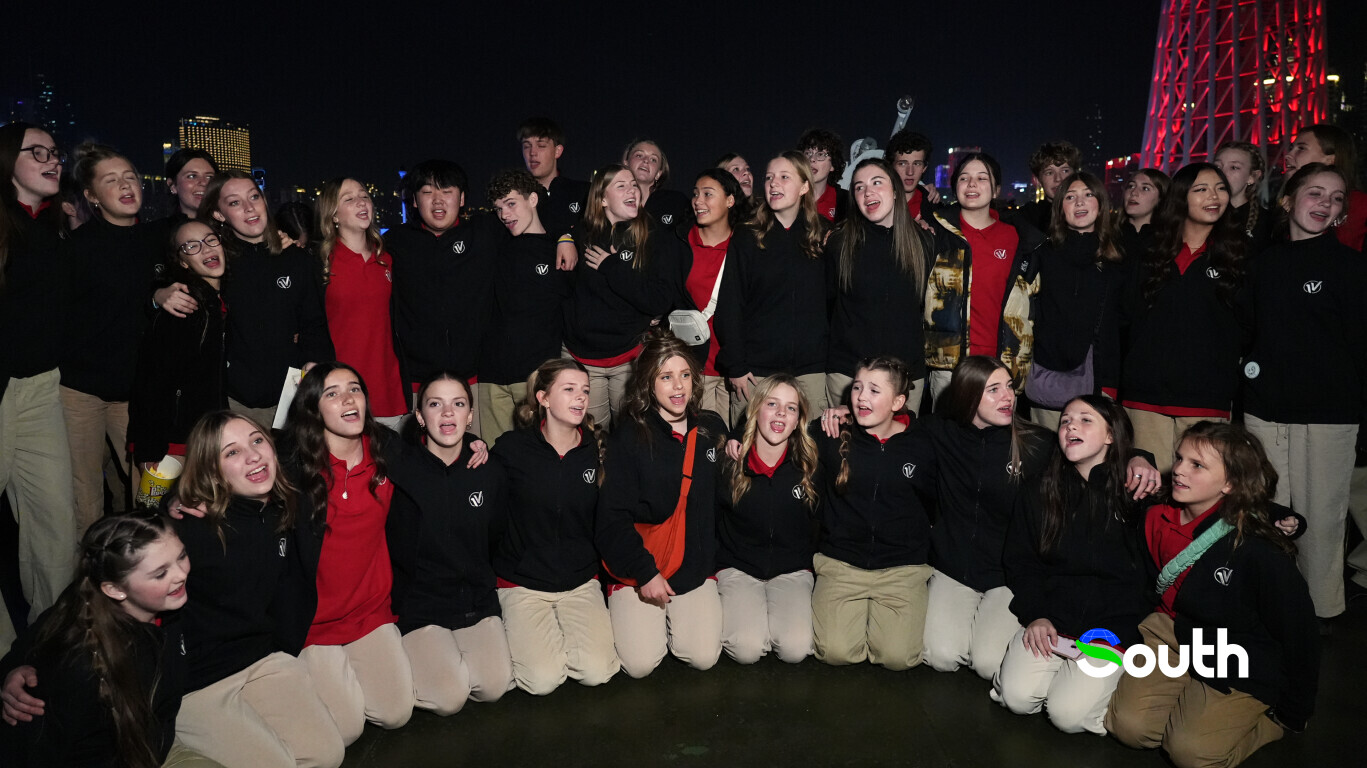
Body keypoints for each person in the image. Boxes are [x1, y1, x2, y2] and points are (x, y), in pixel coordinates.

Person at [1107, 422, 1319, 768]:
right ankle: (1190, 699)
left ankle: (1267, 723)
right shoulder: (1155, 515)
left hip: (1235, 650)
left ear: (1230, 483)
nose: (1178, 470)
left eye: (1197, 465)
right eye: (1179, 458)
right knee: (1129, 728)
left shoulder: (1257, 548)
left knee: (1189, 752)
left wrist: (1294, 711)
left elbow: (1300, 633)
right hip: (1170, 634)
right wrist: (1137, 458)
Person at [169, 412, 345, 768]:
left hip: (262, 658)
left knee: (328, 754)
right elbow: (119, 561)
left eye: (257, 441)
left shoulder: (284, 503)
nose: (253, 456)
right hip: (201, 680)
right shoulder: (190, 528)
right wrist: (171, 502)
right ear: (211, 470)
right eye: (232, 452)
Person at [1241, 162, 1366, 624]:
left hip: (1329, 414)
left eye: (1336, 199)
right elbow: (1250, 336)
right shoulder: (1263, 265)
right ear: (1288, 200)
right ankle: (1273, 606)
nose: (1326, 204)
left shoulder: (1351, 267)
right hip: (1265, 412)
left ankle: (1320, 612)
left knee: (1322, 517)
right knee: (1266, 513)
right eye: (1315, 193)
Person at [0, 512, 211, 767]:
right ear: (115, 589)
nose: (181, 574)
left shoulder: (164, 604)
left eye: (182, 556)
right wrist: (8, 674)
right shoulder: (83, 665)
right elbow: (32, 751)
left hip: (154, 747)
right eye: (160, 573)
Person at [994, 396, 1150, 734]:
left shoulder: (1136, 493)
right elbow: (1021, 562)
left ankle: (1105, 684)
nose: (1070, 426)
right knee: (1017, 698)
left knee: (1066, 716)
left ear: (1111, 435)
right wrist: (1036, 614)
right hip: (1054, 619)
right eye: (1065, 420)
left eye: (1085, 420)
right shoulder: (1040, 489)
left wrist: (1143, 459)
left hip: (1111, 629)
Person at [282, 363, 413, 742]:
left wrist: (474, 445)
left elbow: (437, 460)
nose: (348, 399)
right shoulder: (292, 464)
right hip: (314, 622)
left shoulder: (388, 449)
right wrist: (180, 501)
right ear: (312, 408)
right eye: (332, 393)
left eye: (354, 389)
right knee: (346, 729)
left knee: (396, 713)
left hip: (371, 611)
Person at [596, 330, 728, 678]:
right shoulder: (630, 437)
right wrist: (645, 572)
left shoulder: (711, 429)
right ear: (648, 384)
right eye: (666, 377)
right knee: (639, 664)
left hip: (693, 567)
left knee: (703, 657)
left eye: (684, 375)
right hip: (642, 566)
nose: (678, 386)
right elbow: (612, 519)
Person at [387, 372, 514, 714]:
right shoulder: (399, 469)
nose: (447, 413)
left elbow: (496, 537)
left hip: (475, 600)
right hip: (421, 606)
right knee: (448, 698)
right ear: (419, 416)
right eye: (435, 404)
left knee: (494, 686)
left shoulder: (489, 471)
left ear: (470, 415)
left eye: (458, 404)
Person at [491, 359, 620, 693]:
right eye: (569, 389)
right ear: (543, 398)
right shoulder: (511, 449)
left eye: (585, 391)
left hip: (580, 582)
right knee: (542, 681)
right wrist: (470, 445)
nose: (581, 397)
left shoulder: (598, 450)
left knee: (597, 672)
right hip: (523, 583)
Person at [0, 122, 77, 657]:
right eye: (37, 152)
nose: (52, 160)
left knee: (55, 525)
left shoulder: (54, 228)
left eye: (55, 152)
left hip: (42, 389)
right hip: (2, 390)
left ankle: (52, 646)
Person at [61, 142, 165, 534]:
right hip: (80, 391)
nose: (125, 185)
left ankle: (141, 554)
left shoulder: (158, 241)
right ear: (91, 196)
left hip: (137, 392)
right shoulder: (75, 248)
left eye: (130, 177)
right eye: (111, 180)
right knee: (84, 490)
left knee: (149, 487)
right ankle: (90, 564)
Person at [811, 357, 936, 670]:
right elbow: (780, 424)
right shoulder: (831, 433)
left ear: (898, 402)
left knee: (898, 658)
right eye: (857, 387)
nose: (861, 397)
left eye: (874, 390)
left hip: (901, 569)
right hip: (842, 564)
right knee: (835, 652)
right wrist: (736, 435)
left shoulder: (923, 443)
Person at [1119, 163, 1245, 473]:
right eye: (1201, 189)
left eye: (1220, 188)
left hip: (1207, 397)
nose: (1213, 196)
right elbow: (1126, 319)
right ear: (1180, 198)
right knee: (1145, 491)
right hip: (1145, 397)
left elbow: (1246, 328)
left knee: (1201, 490)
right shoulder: (1149, 252)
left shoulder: (1239, 256)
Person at [198, 171, 333, 427]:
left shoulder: (298, 260)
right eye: (235, 202)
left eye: (254, 197)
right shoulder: (217, 265)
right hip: (232, 400)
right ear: (218, 214)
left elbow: (314, 325)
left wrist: (313, 365)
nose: (249, 207)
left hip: (291, 398)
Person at [563, 163, 684, 428]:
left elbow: (661, 299)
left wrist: (612, 267)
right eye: (621, 186)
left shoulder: (654, 236)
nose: (632, 190)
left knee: (633, 434)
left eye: (633, 185)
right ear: (602, 199)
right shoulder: (581, 234)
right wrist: (564, 238)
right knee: (593, 436)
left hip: (629, 358)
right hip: (584, 360)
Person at [387, 159, 502, 433]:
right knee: (416, 454)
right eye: (427, 192)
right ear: (414, 201)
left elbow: (532, 220)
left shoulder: (484, 233)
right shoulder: (394, 242)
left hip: (472, 379)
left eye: (447, 191)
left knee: (474, 452)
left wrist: (565, 239)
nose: (437, 200)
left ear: (461, 199)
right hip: (416, 381)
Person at [714, 152, 829, 422]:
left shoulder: (824, 234)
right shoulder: (747, 235)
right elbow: (730, 304)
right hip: (755, 372)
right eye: (769, 178)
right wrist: (736, 366)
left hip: (811, 371)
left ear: (804, 186)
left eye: (784, 177)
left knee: (811, 445)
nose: (773, 183)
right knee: (750, 445)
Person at [716, 374, 820, 665]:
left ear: (798, 420)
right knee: (746, 650)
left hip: (792, 571)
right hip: (738, 569)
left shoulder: (810, 463)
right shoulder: (730, 463)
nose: (781, 413)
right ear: (755, 409)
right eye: (772, 404)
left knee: (795, 650)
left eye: (791, 408)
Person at [923, 152, 1044, 401]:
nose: (972, 184)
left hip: (1003, 364)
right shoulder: (935, 234)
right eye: (964, 178)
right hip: (950, 366)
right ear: (955, 186)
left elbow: (1033, 305)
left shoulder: (1020, 239)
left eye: (982, 178)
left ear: (996, 189)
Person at [825, 157, 932, 411]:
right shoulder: (839, 243)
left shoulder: (924, 242)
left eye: (876, 182)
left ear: (895, 190)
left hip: (906, 375)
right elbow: (826, 304)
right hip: (849, 373)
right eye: (859, 187)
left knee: (904, 438)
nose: (867, 192)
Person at [127, 220, 228, 479]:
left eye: (210, 239)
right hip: (171, 444)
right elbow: (154, 379)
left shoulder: (218, 300)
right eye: (192, 246)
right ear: (182, 262)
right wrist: (151, 448)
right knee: (155, 504)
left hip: (204, 437)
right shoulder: (185, 305)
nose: (206, 249)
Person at [479, 170, 572, 444]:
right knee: (495, 455)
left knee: (538, 454)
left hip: (536, 376)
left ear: (532, 199)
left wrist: (565, 236)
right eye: (498, 208)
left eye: (511, 204)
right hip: (492, 375)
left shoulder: (559, 250)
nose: (505, 214)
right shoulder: (495, 242)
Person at [1027, 172, 1126, 429]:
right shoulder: (1042, 254)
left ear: (1101, 204)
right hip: (1049, 373)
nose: (1080, 202)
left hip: (1100, 377)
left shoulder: (1118, 258)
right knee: (1045, 449)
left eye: (1088, 195)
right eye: (1070, 197)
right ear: (1060, 208)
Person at [317, 177, 407, 427]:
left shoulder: (388, 258)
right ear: (333, 215)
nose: (361, 202)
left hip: (387, 386)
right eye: (349, 199)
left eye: (364, 196)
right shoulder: (320, 263)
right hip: (340, 389)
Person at [675, 169, 743, 422]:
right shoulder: (680, 241)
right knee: (701, 438)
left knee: (738, 439)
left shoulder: (745, 245)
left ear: (730, 200)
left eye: (708, 194)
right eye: (695, 194)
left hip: (736, 368)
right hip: (693, 366)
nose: (698, 201)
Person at [517, 117, 588, 271]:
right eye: (526, 146)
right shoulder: (516, 198)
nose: (532, 153)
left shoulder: (583, 192)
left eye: (541, 146)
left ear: (558, 151)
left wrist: (567, 237)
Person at [1283, 123, 1365, 251]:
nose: (1288, 155)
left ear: (1330, 160)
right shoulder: (1285, 199)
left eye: (1301, 148)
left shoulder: (1361, 205)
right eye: (1291, 148)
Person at [1213, 141, 1270, 250]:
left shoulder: (1268, 224)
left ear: (1252, 177)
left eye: (1234, 167)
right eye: (1218, 167)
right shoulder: (1200, 216)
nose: (1222, 173)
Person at [623, 139, 690, 231]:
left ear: (658, 174)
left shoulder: (676, 202)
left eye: (653, 160)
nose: (646, 161)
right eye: (639, 155)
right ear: (626, 164)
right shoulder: (611, 201)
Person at [1020, 141, 1081, 233]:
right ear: (1037, 181)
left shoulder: (1091, 212)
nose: (1058, 179)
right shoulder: (1026, 219)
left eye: (1065, 171)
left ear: (1075, 175)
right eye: (1049, 173)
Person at [798, 128, 848, 222]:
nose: (812, 159)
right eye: (808, 153)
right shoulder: (789, 196)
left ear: (832, 165)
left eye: (820, 154)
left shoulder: (847, 201)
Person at [1118, 168, 1169, 262]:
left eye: (1145, 188)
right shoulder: (1107, 236)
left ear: (1161, 199)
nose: (1133, 193)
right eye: (1131, 186)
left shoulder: (1169, 244)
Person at [886, 129, 936, 220]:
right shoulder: (877, 203)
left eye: (917, 164)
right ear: (891, 166)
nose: (910, 172)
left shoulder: (935, 210)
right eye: (902, 164)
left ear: (924, 168)